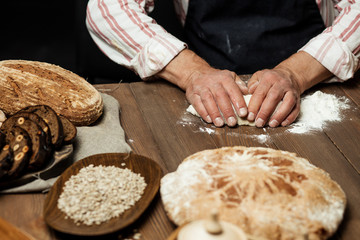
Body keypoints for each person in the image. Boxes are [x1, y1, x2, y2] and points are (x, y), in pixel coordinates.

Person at [86, 0, 360, 128]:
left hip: (317, 87)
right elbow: (106, 8)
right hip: (204, 95)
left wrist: (296, 74)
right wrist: (193, 73)